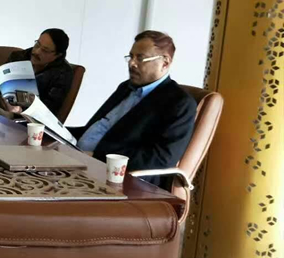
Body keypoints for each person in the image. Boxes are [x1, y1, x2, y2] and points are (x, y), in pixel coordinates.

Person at [69, 30, 197, 186]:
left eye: (140, 58)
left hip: (119, 180)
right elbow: (99, 128)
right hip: (82, 162)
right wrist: (57, 131)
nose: (132, 63)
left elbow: (160, 159)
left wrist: (98, 156)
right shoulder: (126, 88)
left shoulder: (179, 103)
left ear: (165, 62)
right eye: (131, 57)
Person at [0, 29, 74, 117]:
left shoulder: (62, 74)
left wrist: (20, 110)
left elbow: (49, 111)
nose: (36, 52)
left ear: (57, 55)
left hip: (25, 120)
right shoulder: (18, 57)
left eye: (45, 50)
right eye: (37, 45)